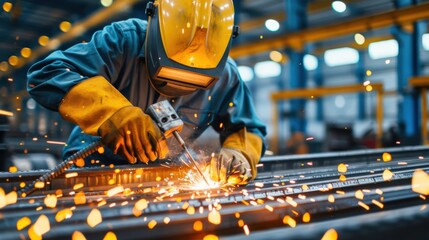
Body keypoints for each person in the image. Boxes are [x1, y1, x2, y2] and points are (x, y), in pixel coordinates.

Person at [26, 0, 266, 185]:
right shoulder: (122, 41)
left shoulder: (227, 76)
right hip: (91, 170)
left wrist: (239, 154)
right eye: (167, 73)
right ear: (154, 31)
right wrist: (113, 113)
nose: (177, 87)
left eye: (195, 82)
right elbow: (46, 73)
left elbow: (248, 128)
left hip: (166, 177)